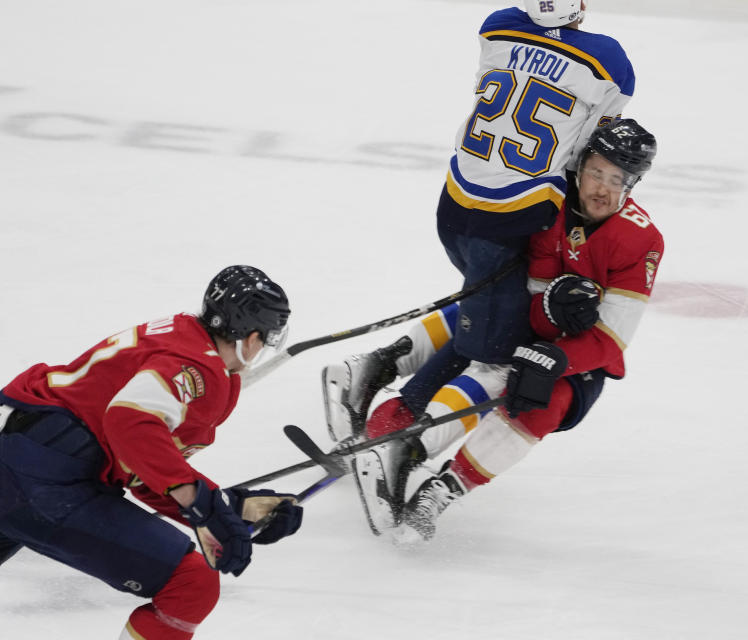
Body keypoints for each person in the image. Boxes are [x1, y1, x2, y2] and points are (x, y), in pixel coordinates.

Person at [322, 0, 637, 533]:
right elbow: (590, 153)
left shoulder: (498, 26)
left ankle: (371, 371)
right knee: (495, 353)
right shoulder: (608, 61)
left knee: (489, 313)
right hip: (512, 220)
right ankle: (393, 427)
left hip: (453, 207)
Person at [333, 118, 663, 543]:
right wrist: (549, 307)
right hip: (533, 328)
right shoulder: (553, 206)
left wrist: (556, 356)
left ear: (632, 184)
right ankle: (397, 435)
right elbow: (535, 306)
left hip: (584, 356)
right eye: (596, 172)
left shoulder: (642, 241)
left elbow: (612, 338)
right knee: (487, 332)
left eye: (616, 180)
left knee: (537, 402)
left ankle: (442, 487)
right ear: (580, 166)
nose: (602, 188)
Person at [0, 265, 304, 639]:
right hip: (42, 478)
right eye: (269, 337)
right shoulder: (197, 368)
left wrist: (226, 507)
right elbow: (130, 423)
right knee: (191, 584)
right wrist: (201, 503)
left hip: (22, 450)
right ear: (252, 337)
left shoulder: (181, 335)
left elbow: (143, 467)